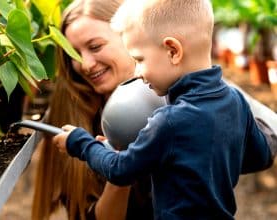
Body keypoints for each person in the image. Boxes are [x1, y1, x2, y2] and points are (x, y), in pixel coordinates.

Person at [53, 0, 277, 219]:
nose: (138, 72)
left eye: (139, 59)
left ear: (172, 51)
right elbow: (260, 156)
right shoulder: (235, 101)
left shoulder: (168, 121)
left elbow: (120, 170)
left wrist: (79, 142)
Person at [31, 0, 154, 219]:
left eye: (95, 46)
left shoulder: (174, 101)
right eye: (74, 54)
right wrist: (119, 170)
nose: (85, 65)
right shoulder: (75, 118)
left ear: (131, 36)